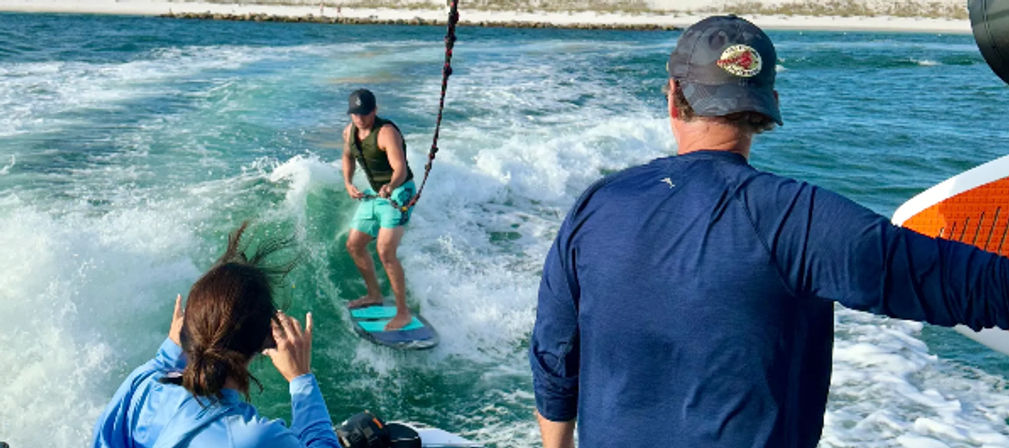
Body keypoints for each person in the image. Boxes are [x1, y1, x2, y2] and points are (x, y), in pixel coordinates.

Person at [529, 15, 1009, 448]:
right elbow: (979, 289)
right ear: (768, 105)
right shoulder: (799, 218)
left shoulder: (595, 204)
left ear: (674, 96)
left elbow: (555, 352)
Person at [92, 223, 340, 448]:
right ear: (267, 339)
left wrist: (169, 351)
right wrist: (301, 379)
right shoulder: (254, 437)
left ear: (186, 327)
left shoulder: (144, 385)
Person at [341, 88, 416, 331]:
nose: (359, 119)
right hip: (375, 194)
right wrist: (348, 183)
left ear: (375, 110)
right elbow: (348, 157)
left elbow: (400, 169)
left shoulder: (386, 133)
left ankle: (403, 313)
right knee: (354, 244)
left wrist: (391, 187)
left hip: (399, 192)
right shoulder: (349, 132)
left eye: (364, 113)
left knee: (385, 252)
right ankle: (374, 295)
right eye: (355, 114)